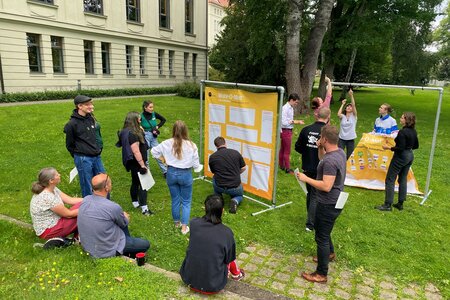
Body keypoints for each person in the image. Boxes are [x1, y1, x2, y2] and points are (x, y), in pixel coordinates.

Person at [297, 125, 346, 283]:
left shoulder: (331, 161)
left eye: (320, 138)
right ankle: (330, 254)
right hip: (335, 201)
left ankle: (321, 274)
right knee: (324, 230)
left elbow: (326, 185)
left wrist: (306, 179)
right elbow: (322, 160)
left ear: (324, 139)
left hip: (327, 203)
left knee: (321, 237)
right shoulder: (338, 153)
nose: (319, 140)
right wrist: (320, 149)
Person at [180, 194, 245, 294]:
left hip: (188, 279)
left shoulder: (194, 223)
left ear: (205, 208)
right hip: (214, 285)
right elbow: (230, 258)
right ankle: (237, 274)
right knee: (229, 254)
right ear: (222, 211)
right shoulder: (227, 233)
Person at [77, 174, 150, 258]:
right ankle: (126, 250)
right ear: (106, 188)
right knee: (145, 244)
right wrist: (125, 217)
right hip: (106, 250)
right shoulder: (113, 207)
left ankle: (126, 246)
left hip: (88, 247)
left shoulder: (85, 200)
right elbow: (123, 223)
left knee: (118, 220)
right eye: (110, 183)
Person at [151, 120, 200, 235]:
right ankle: (184, 227)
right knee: (186, 202)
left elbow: (154, 152)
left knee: (175, 200)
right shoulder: (192, 145)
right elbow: (196, 165)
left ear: (173, 130)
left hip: (171, 173)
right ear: (185, 131)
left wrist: (164, 161)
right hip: (185, 173)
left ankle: (176, 223)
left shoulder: (166, 143)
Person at [295, 107, 331, 232]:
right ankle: (310, 223)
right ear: (328, 117)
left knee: (311, 193)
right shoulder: (328, 132)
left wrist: (307, 150)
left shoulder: (306, 130)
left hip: (307, 166)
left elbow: (298, 147)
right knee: (315, 195)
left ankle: (311, 217)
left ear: (316, 116)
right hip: (320, 167)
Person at [375, 112, 419, 211]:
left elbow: (400, 148)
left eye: (402, 117)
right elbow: (416, 146)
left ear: (406, 120)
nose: (400, 119)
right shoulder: (413, 131)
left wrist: (388, 147)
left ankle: (387, 205)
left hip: (401, 157)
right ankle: (400, 203)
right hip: (410, 156)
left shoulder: (402, 132)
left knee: (390, 179)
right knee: (402, 178)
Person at [64, 95, 105, 197]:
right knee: (87, 184)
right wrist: (79, 154)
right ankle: (89, 208)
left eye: (91, 103)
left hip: (96, 156)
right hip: (83, 158)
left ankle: (104, 205)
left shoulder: (90, 118)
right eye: (88, 104)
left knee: (103, 180)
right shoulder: (72, 124)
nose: (91, 106)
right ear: (80, 106)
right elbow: (69, 144)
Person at [30, 167, 82, 241]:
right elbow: (69, 214)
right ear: (51, 181)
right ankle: (79, 238)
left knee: (83, 206)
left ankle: (78, 238)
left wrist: (90, 199)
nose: (59, 175)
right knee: (84, 213)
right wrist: (87, 208)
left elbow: (70, 200)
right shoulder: (47, 197)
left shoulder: (52, 188)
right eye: (57, 175)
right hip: (48, 231)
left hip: (56, 223)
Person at [116, 112, 152, 216]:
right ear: (135, 120)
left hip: (131, 162)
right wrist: (142, 165)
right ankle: (144, 209)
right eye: (139, 119)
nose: (141, 121)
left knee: (135, 182)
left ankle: (135, 202)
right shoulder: (133, 134)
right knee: (143, 185)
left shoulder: (126, 131)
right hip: (137, 162)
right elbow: (136, 151)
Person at [209, 136, 246, 214]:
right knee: (240, 196)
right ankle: (235, 200)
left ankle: (218, 198)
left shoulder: (212, 157)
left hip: (219, 186)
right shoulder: (235, 153)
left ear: (216, 146)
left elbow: (214, 172)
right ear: (225, 143)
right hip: (235, 187)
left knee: (214, 179)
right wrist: (236, 173)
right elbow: (244, 168)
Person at [279, 93, 305, 174]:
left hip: (288, 130)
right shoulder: (285, 108)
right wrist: (295, 121)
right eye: (296, 102)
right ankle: (287, 168)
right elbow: (284, 122)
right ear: (291, 100)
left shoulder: (290, 108)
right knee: (287, 150)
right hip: (285, 130)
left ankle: (282, 165)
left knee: (283, 149)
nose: (296, 104)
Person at [141, 100, 167, 176]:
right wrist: (141, 128)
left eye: (152, 107)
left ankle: (165, 171)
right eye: (150, 107)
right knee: (146, 155)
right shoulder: (141, 116)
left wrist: (157, 127)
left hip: (153, 137)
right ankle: (147, 173)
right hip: (145, 136)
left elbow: (163, 119)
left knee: (159, 153)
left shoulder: (154, 114)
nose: (152, 109)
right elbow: (136, 125)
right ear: (145, 108)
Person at [337, 88, 358, 160]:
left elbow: (354, 105)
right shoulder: (343, 116)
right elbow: (338, 114)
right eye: (348, 106)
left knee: (350, 156)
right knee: (340, 154)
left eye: (350, 106)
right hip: (341, 138)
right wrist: (342, 104)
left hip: (350, 138)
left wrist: (351, 95)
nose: (349, 107)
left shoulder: (354, 116)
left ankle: (348, 169)